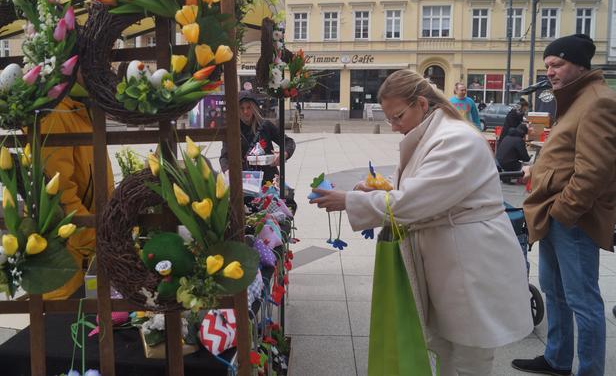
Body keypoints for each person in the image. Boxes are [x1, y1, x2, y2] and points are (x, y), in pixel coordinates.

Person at [310, 69, 532, 375]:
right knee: (449, 348)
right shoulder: (435, 134)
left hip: (471, 259)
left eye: (398, 117)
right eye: (388, 119)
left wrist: (350, 200)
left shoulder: (455, 139)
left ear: (421, 105)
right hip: (452, 253)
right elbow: (416, 185)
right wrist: (380, 188)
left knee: (469, 356)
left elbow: (416, 200)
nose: (393, 126)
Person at [512, 34, 616, 376]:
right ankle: (557, 358)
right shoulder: (575, 99)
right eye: (547, 66)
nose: (550, 72)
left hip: (571, 218)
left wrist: (563, 212)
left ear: (579, 65)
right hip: (554, 214)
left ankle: (590, 371)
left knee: (583, 300)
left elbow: (595, 171)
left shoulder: (598, 101)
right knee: (554, 292)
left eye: (557, 64)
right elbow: (570, 156)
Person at [39, 91, 114, 300]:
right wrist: (99, 241)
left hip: (85, 258)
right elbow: (58, 193)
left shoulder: (84, 112)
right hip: (67, 265)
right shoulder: (55, 114)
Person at [219, 90, 295, 184]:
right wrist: (227, 170)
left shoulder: (266, 125)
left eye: (249, 107)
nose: (245, 111)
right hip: (245, 181)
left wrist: (284, 154)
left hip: (269, 180)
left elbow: (289, 142)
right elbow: (224, 157)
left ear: (254, 108)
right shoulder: (232, 130)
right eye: (241, 108)